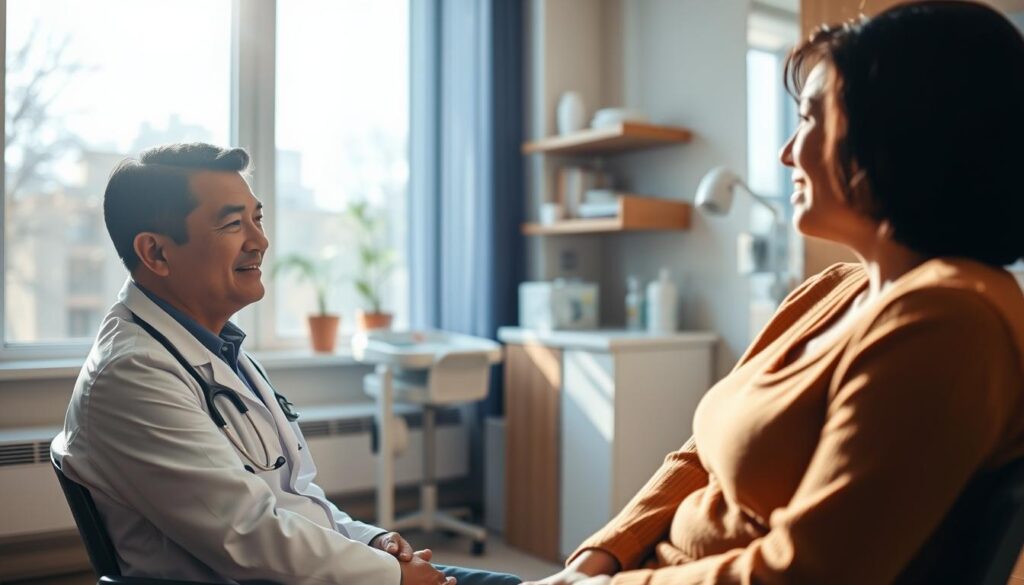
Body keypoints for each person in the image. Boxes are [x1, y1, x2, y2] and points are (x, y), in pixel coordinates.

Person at [526, 2, 1024, 584]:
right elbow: (700, 452)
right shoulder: (834, 289)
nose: (787, 152)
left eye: (811, 119)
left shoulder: (950, 322)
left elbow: (806, 573)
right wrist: (598, 557)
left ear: (896, 132)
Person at [51, 143, 519, 585]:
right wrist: (390, 575)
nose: (261, 241)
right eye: (233, 225)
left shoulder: (220, 349)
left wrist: (372, 540)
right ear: (156, 252)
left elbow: (296, 495)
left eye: (257, 219)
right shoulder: (132, 374)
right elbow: (248, 535)